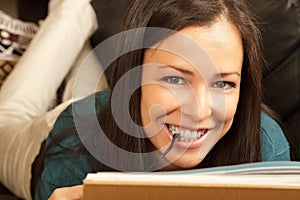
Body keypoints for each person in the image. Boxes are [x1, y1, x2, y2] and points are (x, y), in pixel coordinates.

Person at [1, 0, 291, 199]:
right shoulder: (73, 150)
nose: (201, 111)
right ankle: (74, 10)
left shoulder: (264, 147)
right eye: (175, 79)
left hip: (128, 111)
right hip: (65, 130)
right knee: (10, 114)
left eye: (224, 83)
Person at [0, 0, 108, 199]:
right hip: (92, 116)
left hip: (59, 143)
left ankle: (73, 11)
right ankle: (73, 12)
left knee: (5, 121)